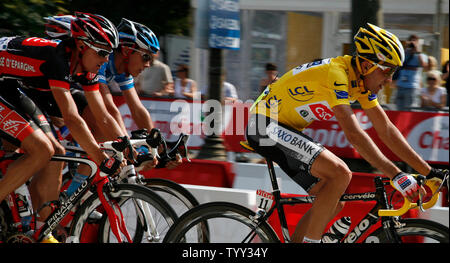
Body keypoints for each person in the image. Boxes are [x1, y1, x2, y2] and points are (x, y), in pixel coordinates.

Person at [246, 23, 447, 243]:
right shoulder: (337, 74)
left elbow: (386, 130)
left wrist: (429, 173)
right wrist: (396, 175)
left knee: (332, 200)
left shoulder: (360, 82)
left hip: (281, 128)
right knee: (341, 173)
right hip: (263, 126)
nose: (390, 80)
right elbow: (354, 135)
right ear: (367, 64)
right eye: (388, 70)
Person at [0, 12, 122, 242]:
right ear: (82, 46)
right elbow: (72, 118)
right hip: (4, 84)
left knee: (56, 153)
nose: (106, 60)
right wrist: (99, 157)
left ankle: (40, 228)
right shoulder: (58, 59)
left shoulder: (85, 66)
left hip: (9, 85)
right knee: (41, 149)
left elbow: (103, 116)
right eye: (103, 52)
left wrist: (127, 146)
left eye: (110, 53)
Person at [393, 34, 428, 110]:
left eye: (414, 41)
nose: (412, 43)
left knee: (409, 110)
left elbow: (424, 66)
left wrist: (417, 51)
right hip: (400, 85)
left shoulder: (421, 55)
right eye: (411, 41)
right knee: (399, 110)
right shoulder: (404, 53)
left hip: (412, 87)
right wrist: (405, 48)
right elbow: (398, 62)